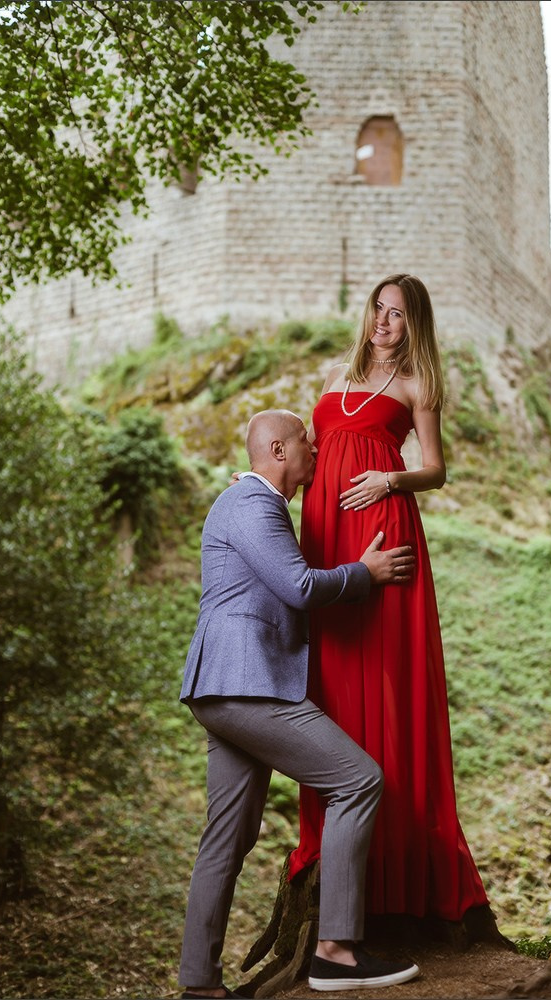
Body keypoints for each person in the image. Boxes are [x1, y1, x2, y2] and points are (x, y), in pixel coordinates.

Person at [178, 409, 420, 999]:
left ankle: (198, 986)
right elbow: (301, 587)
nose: (316, 453)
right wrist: (365, 572)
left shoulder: (248, 502)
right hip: (248, 683)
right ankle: (335, 953)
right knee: (358, 780)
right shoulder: (255, 503)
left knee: (226, 839)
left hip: (221, 686)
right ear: (280, 451)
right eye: (309, 445)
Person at [288, 274, 490, 923]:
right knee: (332, 680)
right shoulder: (335, 377)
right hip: (326, 539)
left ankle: (400, 862)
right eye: (377, 310)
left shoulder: (415, 385)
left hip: (382, 530)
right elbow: (313, 455)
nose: (382, 323)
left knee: (385, 680)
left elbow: (435, 467)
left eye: (396, 314)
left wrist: (390, 476)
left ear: (413, 324)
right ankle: (330, 848)